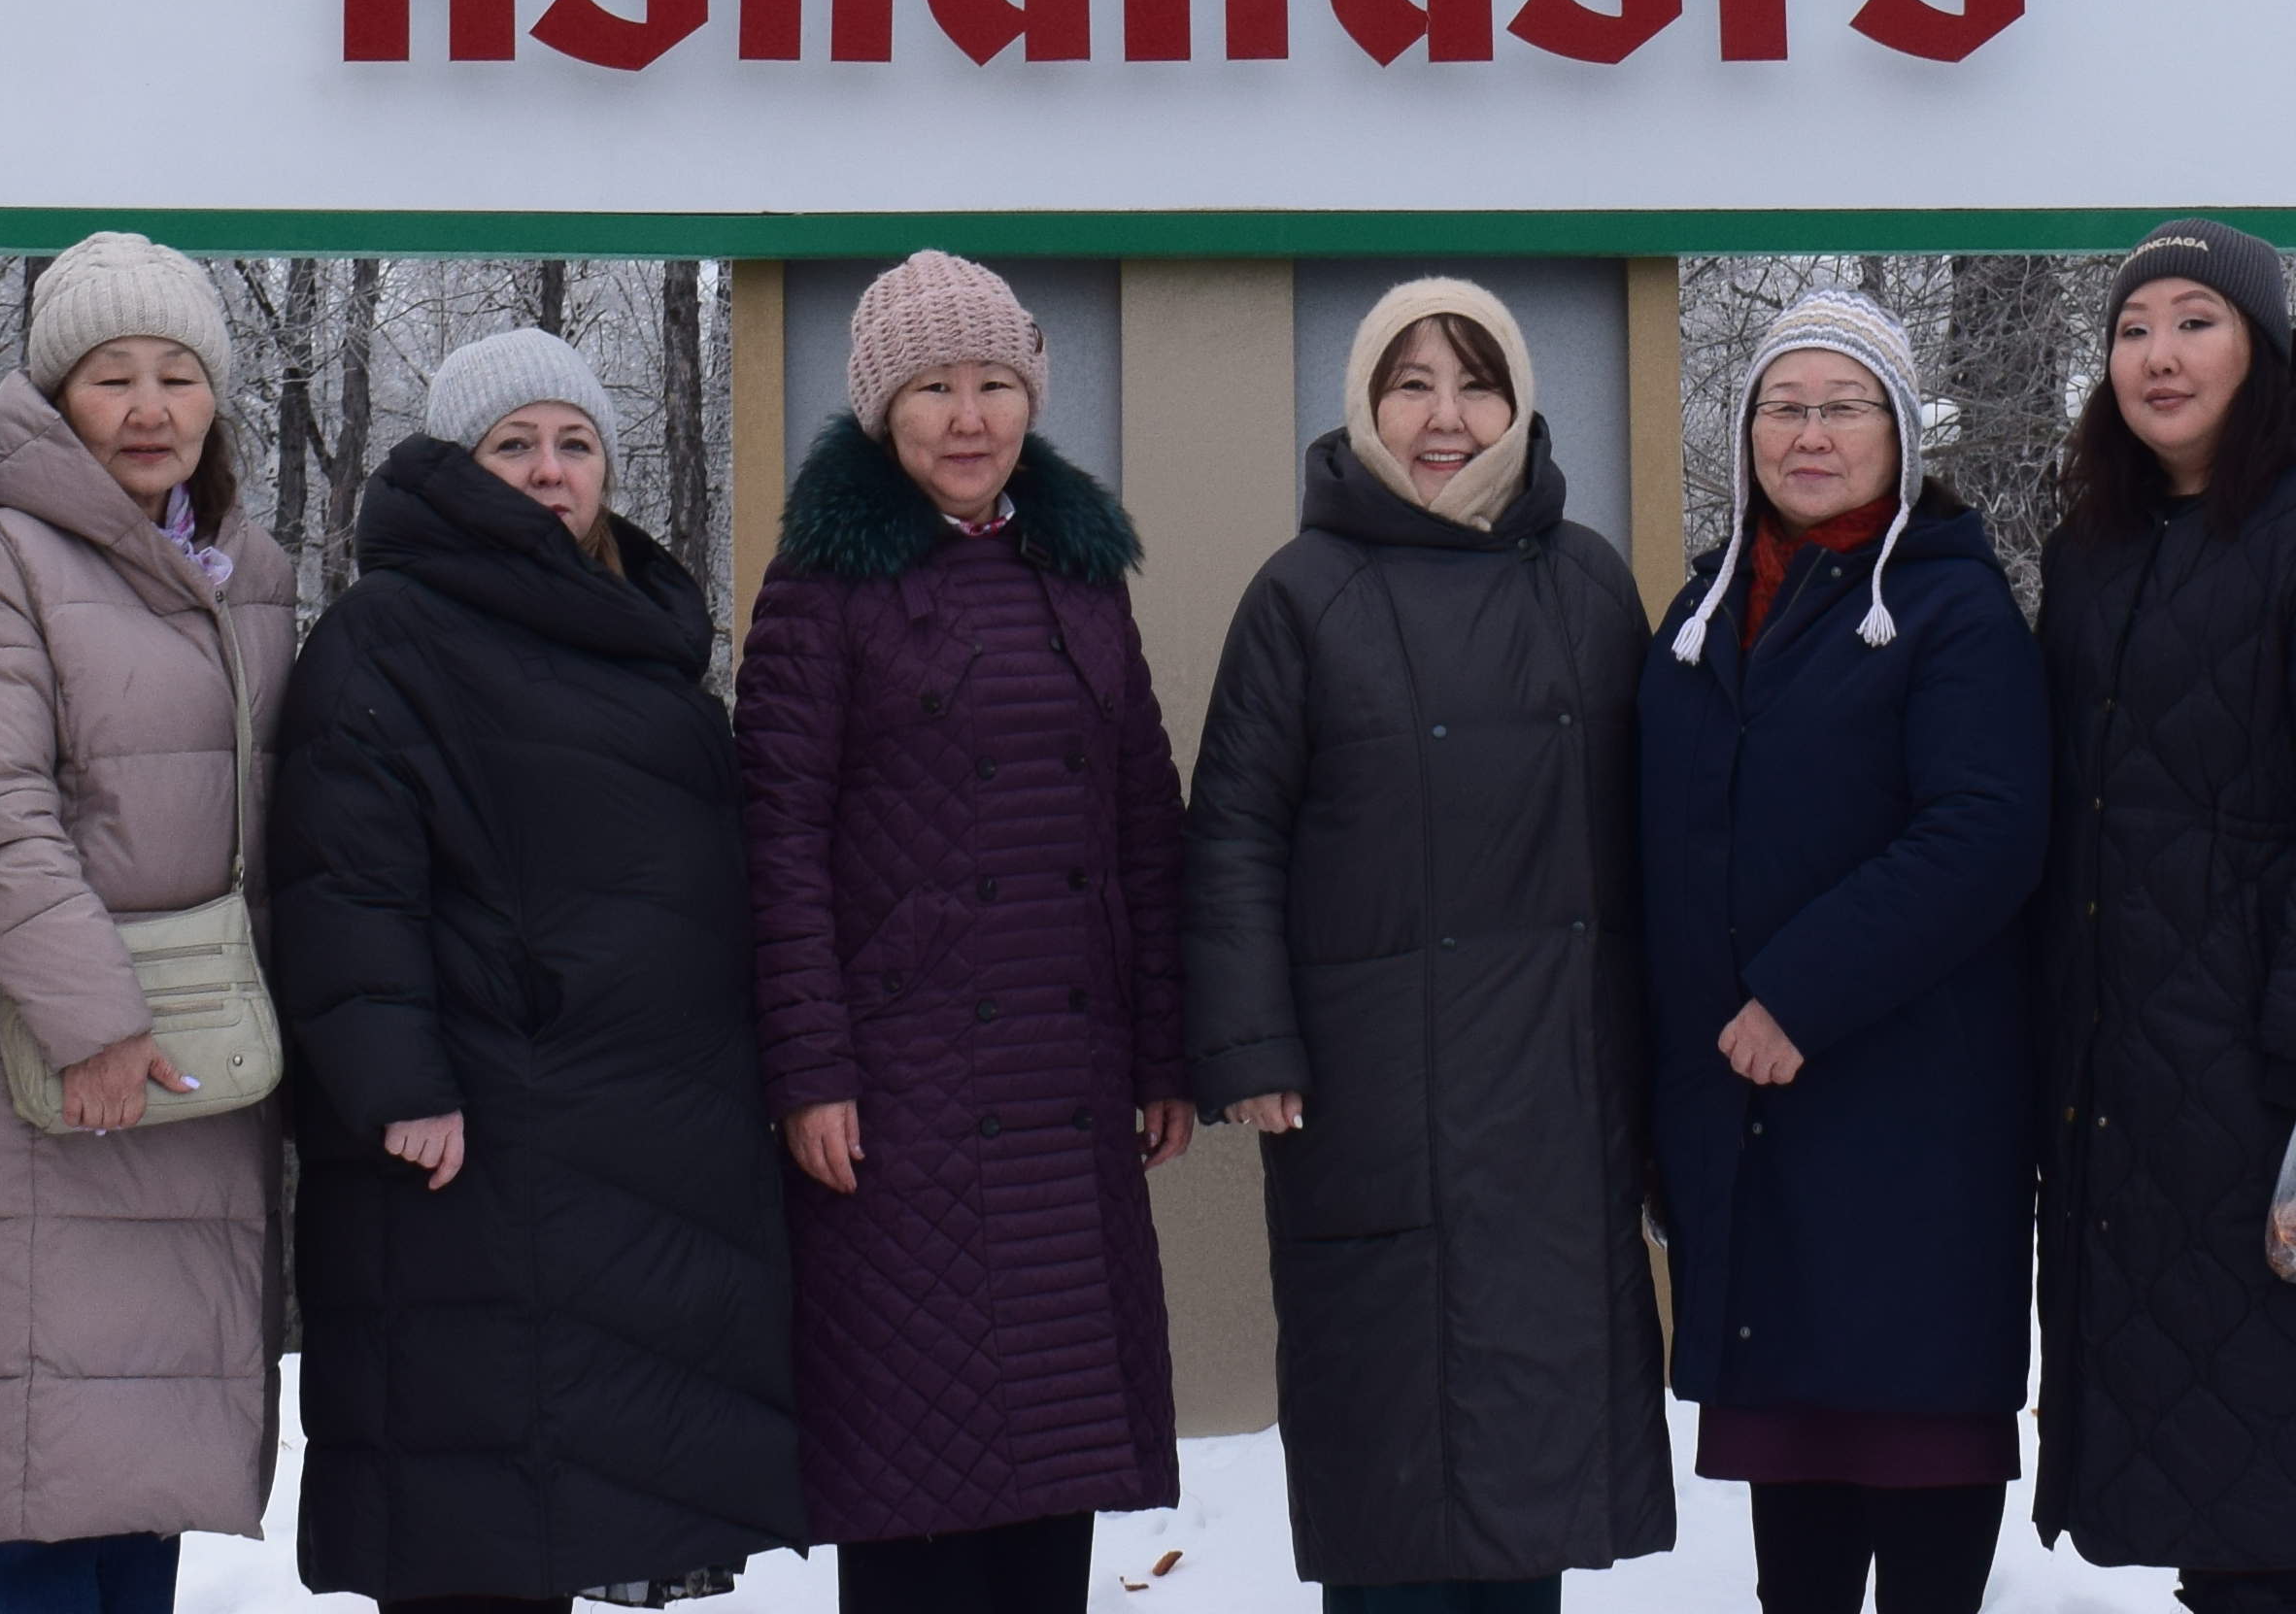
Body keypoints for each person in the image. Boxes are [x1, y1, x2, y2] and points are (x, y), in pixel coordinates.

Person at [276, 321, 799, 1614]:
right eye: (514, 445)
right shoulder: (387, 633)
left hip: (645, 1143)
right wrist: (396, 1081)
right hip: (476, 1139)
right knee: (477, 1524)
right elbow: (346, 876)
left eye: (576, 444)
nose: (552, 469)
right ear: (457, 466)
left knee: (576, 1499)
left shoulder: (640, 637)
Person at [1190, 277, 1675, 1614]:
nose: (1445, 417)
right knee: (1393, 1480)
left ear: (1520, 406)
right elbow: (1233, 830)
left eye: (1476, 384)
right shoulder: (1302, 595)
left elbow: (1655, 833)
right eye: (1411, 384)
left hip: (1557, 1098)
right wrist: (1253, 1043)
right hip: (1373, 1100)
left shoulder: (1588, 581)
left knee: (1529, 1481)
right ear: (1365, 408)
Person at [734, 252, 1193, 1614]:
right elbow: (776, 844)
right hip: (898, 1099)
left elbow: (1144, 818)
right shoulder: (822, 584)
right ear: (884, 410)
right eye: (934, 387)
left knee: (1055, 1457)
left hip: (1066, 1081)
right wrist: (810, 1072)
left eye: (994, 382)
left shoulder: (1081, 570)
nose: (969, 415)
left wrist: (1165, 1051)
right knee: (914, 1470)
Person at [2028, 222, 2296, 1614]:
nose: (2159, 355)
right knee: (2179, 1436)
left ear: (2261, 350)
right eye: (2133, 327)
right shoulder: (2093, 550)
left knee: (2274, 1444)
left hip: (2285, 1085)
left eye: (2195, 321)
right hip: (2122, 1079)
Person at [0, 232, 297, 1612]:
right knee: (37, 1455)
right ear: (58, 398)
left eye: (180, 374)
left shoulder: (248, 572)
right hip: (46, 1062)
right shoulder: (2, 553)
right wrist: (96, 1022)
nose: (150, 407)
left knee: (142, 1459)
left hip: (204, 1068)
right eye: (112, 377)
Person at [1636, 293, 2048, 1614]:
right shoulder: (1703, 612)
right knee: (1797, 1503)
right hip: (1750, 1123)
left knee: (1916, 1457)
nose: (1809, 435)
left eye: (1844, 407)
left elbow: (1984, 833)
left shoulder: (1952, 608)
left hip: (1909, 1118)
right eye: (1784, 407)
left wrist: (1796, 992)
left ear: (1901, 431)